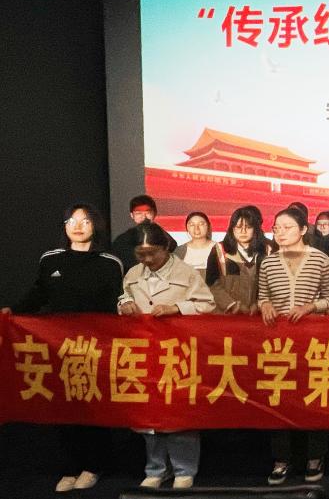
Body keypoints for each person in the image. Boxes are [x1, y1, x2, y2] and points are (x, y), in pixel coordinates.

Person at [2, 204, 123, 492]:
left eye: (85, 221)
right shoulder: (50, 259)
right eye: (72, 221)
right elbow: (38, 294)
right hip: (59, 347)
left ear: (96, 225)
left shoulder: (109, 262)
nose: (77, 226)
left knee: (93, 408)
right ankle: (70, 466)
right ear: (65, 226)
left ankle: (94, 466)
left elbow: (117, 302)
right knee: (64, 407)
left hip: (96, 348)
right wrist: (13, 311)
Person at [117, 221, 215, 489]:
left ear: (165, 248)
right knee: (148, 414)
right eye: (141, 254)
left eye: (152, 253)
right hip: (144, 352)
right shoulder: (133, 273)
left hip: (178, 352)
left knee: (178, 414)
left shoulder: (186, 272)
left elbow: (208, 304)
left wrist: (177, 308)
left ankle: (184, 469)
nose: (147, 259)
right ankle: (156, 469)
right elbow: (122, 297)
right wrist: (124, 303)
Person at [258, 207, 329, 485]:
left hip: (311, 338)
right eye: (276, 228)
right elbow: (262, 295)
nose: (280, 233)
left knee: (313, 395)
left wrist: (310, 307)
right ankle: (282, 459)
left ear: (303, 230)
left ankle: (315, 457)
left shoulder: (320, 259)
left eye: (287, 227)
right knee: (279, 397)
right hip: (278, 341)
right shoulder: (268, 262)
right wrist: (265, 304)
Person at [206, 206, 268, 314]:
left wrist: (259, 304)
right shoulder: (219, 250)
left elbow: (272, 284)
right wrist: (232, 304)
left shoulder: (267, 250)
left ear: (256, 229)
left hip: (258, 315)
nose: (243, 231)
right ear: (232, 228)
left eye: (248, 227)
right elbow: (211, 284)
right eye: (238, 227)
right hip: (227, 314)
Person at [111, 195, 176, 271]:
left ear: (155, 213)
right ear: (132, 215)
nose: (144, 217)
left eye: (148, 213)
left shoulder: (168, 240)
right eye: (139, 213)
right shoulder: (122, 241)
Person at [172, 211, 215, 278]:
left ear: (208, 226)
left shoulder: (219, 248)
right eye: (192, 225)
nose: (196, 228)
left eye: (201, 224)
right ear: (187, 228)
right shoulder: (179, 251)